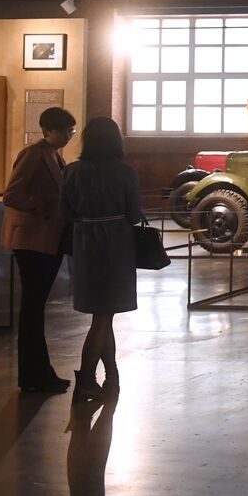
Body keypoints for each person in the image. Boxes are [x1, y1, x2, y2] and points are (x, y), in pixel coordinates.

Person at [61, 117, 143, 402]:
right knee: (104, 316)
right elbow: (135, 214)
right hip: (115, 246)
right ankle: (86, 378)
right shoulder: (125, 173)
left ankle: (111, 375)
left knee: (102, 315)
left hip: (85, 244)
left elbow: (65, 212)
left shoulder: (72, 171)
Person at [1, 106, 77, 393]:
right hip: (32, 240)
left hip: (48, 239)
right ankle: (33, 376)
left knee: (36, 308)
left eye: (71, 131)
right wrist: (44, 203)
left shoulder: (56, 155)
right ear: (47, 131)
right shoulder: (33, 154)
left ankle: (39, 372)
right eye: (65, 131)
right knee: (32, 308)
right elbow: (12, 195)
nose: (69, 136)